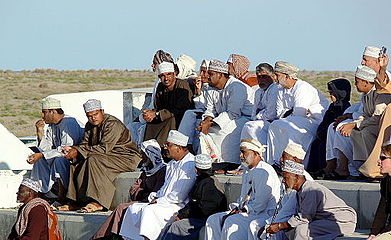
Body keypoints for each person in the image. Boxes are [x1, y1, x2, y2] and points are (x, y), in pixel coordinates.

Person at [59, 99, 142, 212]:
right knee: (76, 162)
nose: (93, 118)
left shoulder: (113, 124)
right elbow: (84, 145)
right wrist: (73, 150)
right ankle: (77, 201)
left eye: (96, 114)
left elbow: (104, 148)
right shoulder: (90, 125)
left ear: (102, 111)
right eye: (90, 116)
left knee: (93, 160)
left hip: (126, 157)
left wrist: (78, 150)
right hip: (106, 156)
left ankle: (99, 202)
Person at [119, 130, 197, 240]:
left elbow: (179, 196)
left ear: (178, 148)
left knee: (150, 211)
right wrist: (155, 196)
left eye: (168, 145)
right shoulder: (171, 164)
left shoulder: (189, 164)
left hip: (177, 205)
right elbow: (165, 188)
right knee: (133, 208)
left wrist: (159, 201)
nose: (165, 148)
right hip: (165, 201)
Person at [204, 139, 281, 240]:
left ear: (255, 153)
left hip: (263, 214)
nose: (240, 155)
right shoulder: (247, 170)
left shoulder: (264, 171)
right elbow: (243, 198)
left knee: (231, 221)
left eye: (244, 152)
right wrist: (236, 208)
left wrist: (242, 210)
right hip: (248, 210)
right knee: (213, 220)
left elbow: (260, 204)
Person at [91, 139, 166, 240]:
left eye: (143, 154)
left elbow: (157, 192)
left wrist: (143, 193)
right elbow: (133, 189)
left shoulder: (162, 171)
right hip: (143, 200)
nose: (141, 157)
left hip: (153, 203)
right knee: (121, 208)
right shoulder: (146, 170)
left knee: (122, 208)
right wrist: (143, 193)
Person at [265, 160, 357, 239]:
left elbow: (305, 217)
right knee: (292, 230)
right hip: (326, 220)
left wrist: (280, 226)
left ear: (297, 177)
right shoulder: (300, 191)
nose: (283, 181)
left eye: (286, 178)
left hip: (343, 222)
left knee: (302, 230)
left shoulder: (310, 189)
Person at [267, 61, 328, 167]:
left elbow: (299, 113)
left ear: (286, 76)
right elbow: (279, 112)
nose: (275, 78)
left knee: (282, 126)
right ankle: (276, 162)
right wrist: (290, 112)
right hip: (292, 120)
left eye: (277, 75)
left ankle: (294, 164)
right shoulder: (280, 90)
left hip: (313, 121)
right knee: (275, 126)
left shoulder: (302, 87)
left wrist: (288, 113)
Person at [197, 60, 254, 172]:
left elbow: (233, 113)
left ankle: (227, 163)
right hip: (223, 118)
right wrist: (206, 121)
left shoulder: (236, 86)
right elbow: (210, 110)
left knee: (222, 132)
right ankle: (205, 163)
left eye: (211, 74)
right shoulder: (210, 88)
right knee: (204, 131)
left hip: (243, 117)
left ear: (221, 75)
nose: (207, 77)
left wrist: (211, 123)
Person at [250, 142, 314, 240]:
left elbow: (289, 210)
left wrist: (272, 224)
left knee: (261, 228)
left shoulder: (300, 180)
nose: (280, 160)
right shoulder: (287, 176)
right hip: (283, 219)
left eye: (284, 157)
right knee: (255, 225)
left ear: (295, 160)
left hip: (295, 223)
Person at [335, 66, 390, 178]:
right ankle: (361, 168)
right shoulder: (365, 95)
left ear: (365, 82)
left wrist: (355, 124)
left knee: (366, 132)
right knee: (356, 133)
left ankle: (375, 168)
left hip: (381, 126)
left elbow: (377, 117)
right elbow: (364, 114)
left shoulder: (379, 93)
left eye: (357, 82)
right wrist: (355, 124)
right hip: (370, 124)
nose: (355, 85)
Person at [28, 97, 83, 203]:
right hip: (61, 154)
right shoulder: (52, 126)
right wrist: (40, 132)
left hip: (75, 156)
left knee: (59, 160)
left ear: (53, 112)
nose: (42, 116)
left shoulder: (68, 122)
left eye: (45, 112)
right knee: (39, 161)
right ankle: (42, 191)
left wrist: (42, 155)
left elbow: (66, 149)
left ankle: (61, 195)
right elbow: (47, 149)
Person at [159, 154, 227, 240]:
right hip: (199, 216)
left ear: (196, 169)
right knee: (170, 224)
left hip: (206, 219)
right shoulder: (202, 181)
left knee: (176, 227)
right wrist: (181, 214)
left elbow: (204, 209)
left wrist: (183, 216)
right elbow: (193, 203)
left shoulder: (208, 184)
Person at [128, 50, 175, 147]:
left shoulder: (168, 83)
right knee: (132, 126)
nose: (152, 66)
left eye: (155, 63)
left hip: (161, 117)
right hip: (152, 114)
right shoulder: (158, 82)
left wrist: (153, 114)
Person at [143, 62, 194, 146]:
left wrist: (157, 114)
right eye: (162, 76)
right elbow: (158, 106)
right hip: (165, 115)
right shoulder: (160, 87)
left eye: (169, 74)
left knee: (170, 120)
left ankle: (162, 148)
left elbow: (181, 108)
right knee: (151, 123)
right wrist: (150, 114)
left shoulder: (182, 85)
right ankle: (149, 149)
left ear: (174, 74)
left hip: (180, 116)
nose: (166, 78)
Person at [307, 78, 351, 174]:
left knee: (323, 146)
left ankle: (329, 168)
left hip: (333, 136)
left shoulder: (345, 107)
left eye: (333, 93)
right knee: (315, 144)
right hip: (325, 134)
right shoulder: (332, 106)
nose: (331, 96)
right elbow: (325, 121)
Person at [178, 60, 220, 152]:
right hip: (204, 113)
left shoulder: (215, 87)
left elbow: (208, 107)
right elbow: (199, 106)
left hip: (215, 115)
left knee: (191, 115)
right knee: (189, 114)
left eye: (205, 72)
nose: (202, 74)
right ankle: (184, 144)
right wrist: (198, 90)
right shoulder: (202, 85)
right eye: (201, 71)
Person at [240, 63, 279, 146]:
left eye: (264, 77)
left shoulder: (275, 89)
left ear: (272, 77)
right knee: (247, 125)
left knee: (252, 127)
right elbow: (254, 113)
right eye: (259, 77)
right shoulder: (258, 91)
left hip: (271, 122)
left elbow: (271, 114)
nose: (261, 80)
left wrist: (259, 114)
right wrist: (259, 113)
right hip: (259, 121)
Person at [367, 137, 391, 239]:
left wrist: (383, 233)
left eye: (382, 158)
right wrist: (374, 233)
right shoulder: (386, 181)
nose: (378, 162)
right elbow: (382, 210)